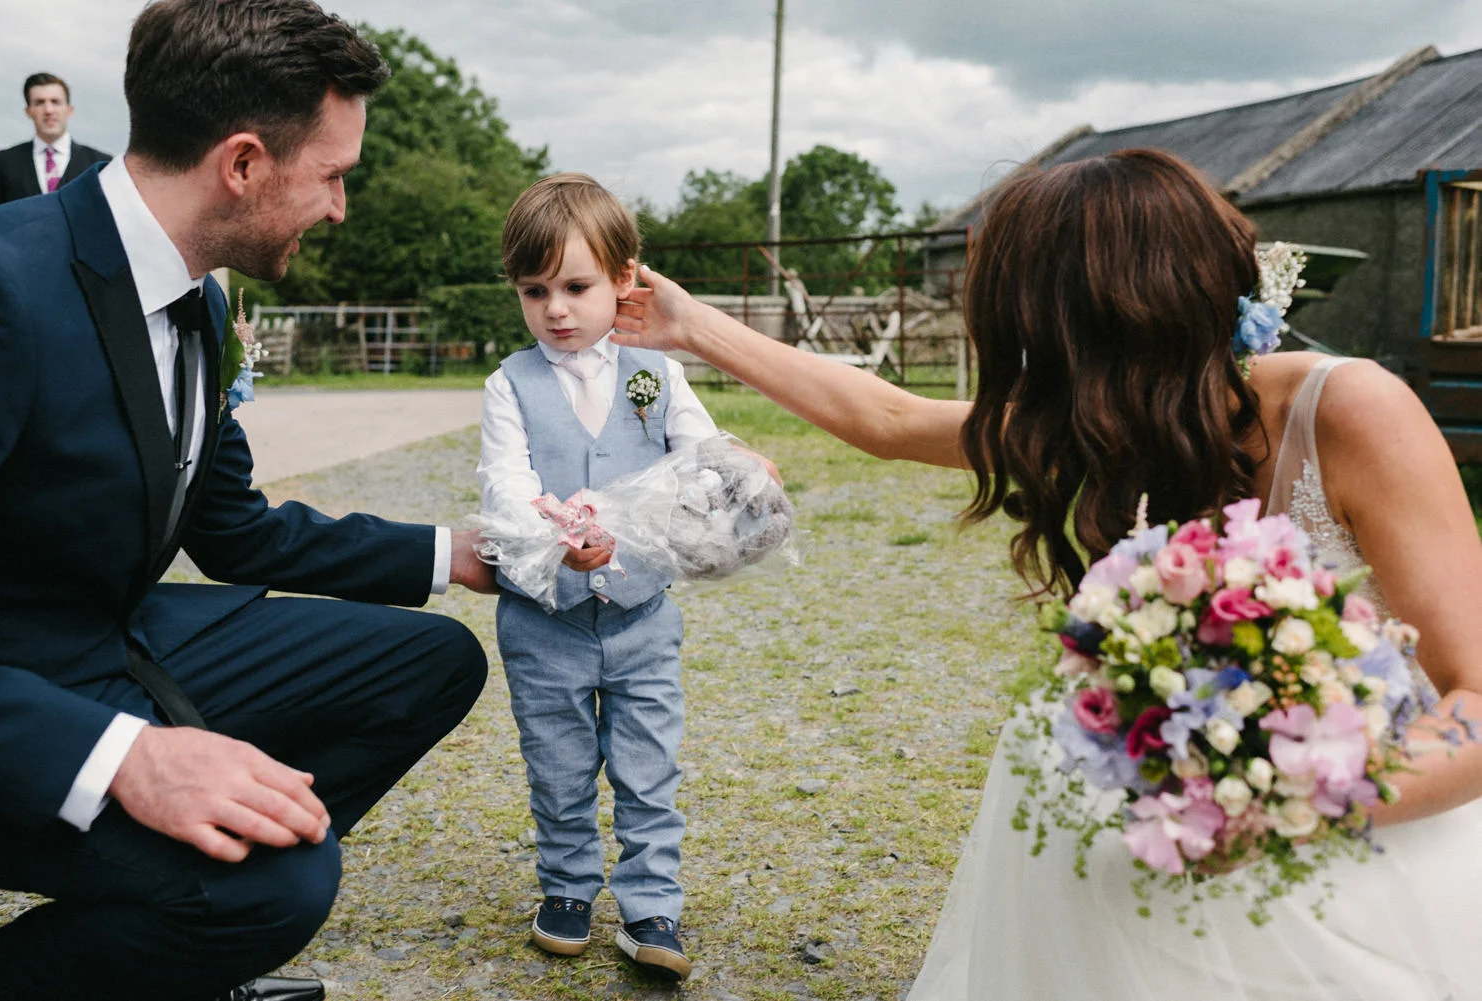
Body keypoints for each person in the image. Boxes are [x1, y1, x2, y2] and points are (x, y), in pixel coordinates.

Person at [612, 148, 1482, 999]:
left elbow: (1475, 698)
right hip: (1157, 798)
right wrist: (688, 326)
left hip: (1372, 813)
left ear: (1108, 329)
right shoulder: (1099, 416)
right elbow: (885, 415)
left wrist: (1284, 799)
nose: (1024, 373)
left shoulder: (1353, 410)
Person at [0, 3, 497, 1000]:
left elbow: (229, 525)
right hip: (12, 683)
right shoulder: (0, 289)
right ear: (245, 163)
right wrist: (123, 756)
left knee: (433, 662)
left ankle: (164, 932)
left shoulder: (201, 296)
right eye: (334, 174)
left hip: (116, 634)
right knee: (278, 884)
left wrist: (456, 553)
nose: (340, 207)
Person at [477, 172, 731, 980]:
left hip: (640, 615)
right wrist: (554, 543)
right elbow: (506, 487)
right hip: (544, 619)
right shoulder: (508, 384)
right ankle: (566, 886)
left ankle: (653, 901)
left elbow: (698, 457)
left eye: (577, 286)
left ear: (625, 280)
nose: (555, 308)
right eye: (534, 289)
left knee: (650, 764)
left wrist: (730, 476)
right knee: (556, 763)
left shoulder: (655, 374)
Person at [0, 72, 112, 208]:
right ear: (28, 111)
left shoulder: (100, 164)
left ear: (69, 110)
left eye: (55, 102)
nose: (48, 110)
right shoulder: (4, 162)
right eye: (39, 103)